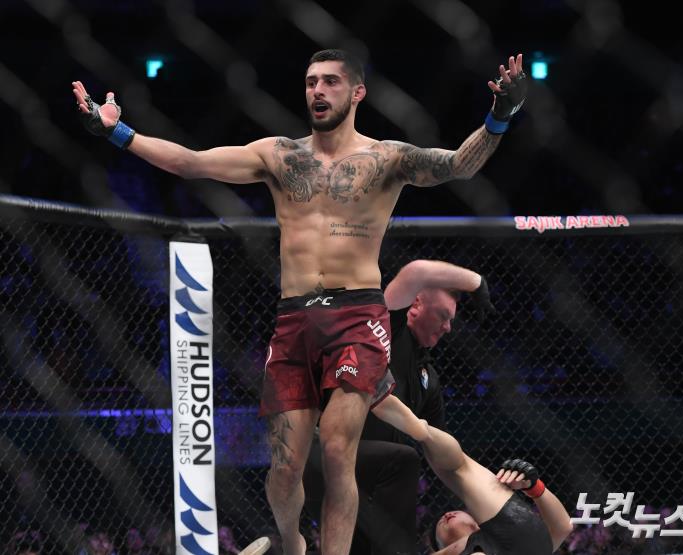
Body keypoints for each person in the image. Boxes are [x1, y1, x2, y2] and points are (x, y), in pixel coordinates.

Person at [71, 49, 527, 555]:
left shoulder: (386, 158)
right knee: (285, 468)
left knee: (337, 448)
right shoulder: (279, 156)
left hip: (358, 314)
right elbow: (190, 163)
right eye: (311, 82)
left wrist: (501, 114)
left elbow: (459, 165)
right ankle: (293, 545)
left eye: (331, 82)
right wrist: (117, 132)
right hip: (295, 317)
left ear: (357, 92)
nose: (318, 91)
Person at [303, 260, 495, 554]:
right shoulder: (384, 331)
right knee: (403, 460)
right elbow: (416, 272)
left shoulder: (429, 378)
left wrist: (490, 492)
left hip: (369, 484)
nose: (447, 328)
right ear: (416, 303)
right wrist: (476, 281)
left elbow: (442, 452)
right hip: (327, 456)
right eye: (443, 316)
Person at [371, 395, 574, 555]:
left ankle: (421, 430)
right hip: (522, 542)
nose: (446, 515)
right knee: (460, 467)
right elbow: (563, 526)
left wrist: (535, 487)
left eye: (443, 517)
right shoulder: (482, 541)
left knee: (459, 468)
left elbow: (563, 527)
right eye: (438, 529)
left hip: (508, 537)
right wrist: (534, 488)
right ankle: (421, 430)